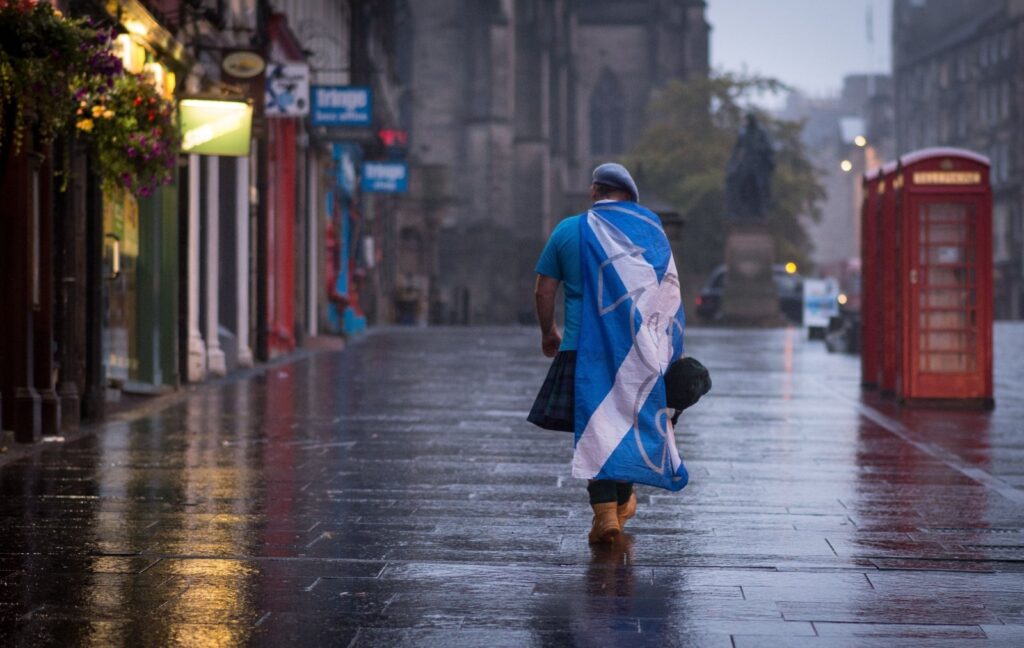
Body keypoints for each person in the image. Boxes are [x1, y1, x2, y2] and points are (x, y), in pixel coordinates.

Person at [529, 163, 688, 544]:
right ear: (630, 198)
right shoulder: (650, 233)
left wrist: (548, 331)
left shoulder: (569, 229)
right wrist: (672, 350)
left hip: (580, 349)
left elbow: (543, 290)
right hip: (637, 351)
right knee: (629, 422)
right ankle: (618, 507)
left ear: (594, 190)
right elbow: (668, 295)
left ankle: (607, 515)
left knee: (597, 428)